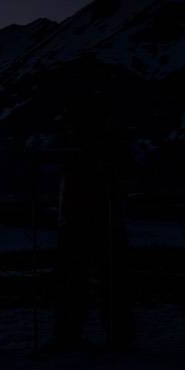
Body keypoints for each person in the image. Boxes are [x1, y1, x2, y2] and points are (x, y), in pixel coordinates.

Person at [46, 98, 134, 352]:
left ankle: (71, 333)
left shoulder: (80, 147)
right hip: (98, 217)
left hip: (85, 218)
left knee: (78, 280)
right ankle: (115, 334)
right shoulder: (107, 144)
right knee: (106, 280)